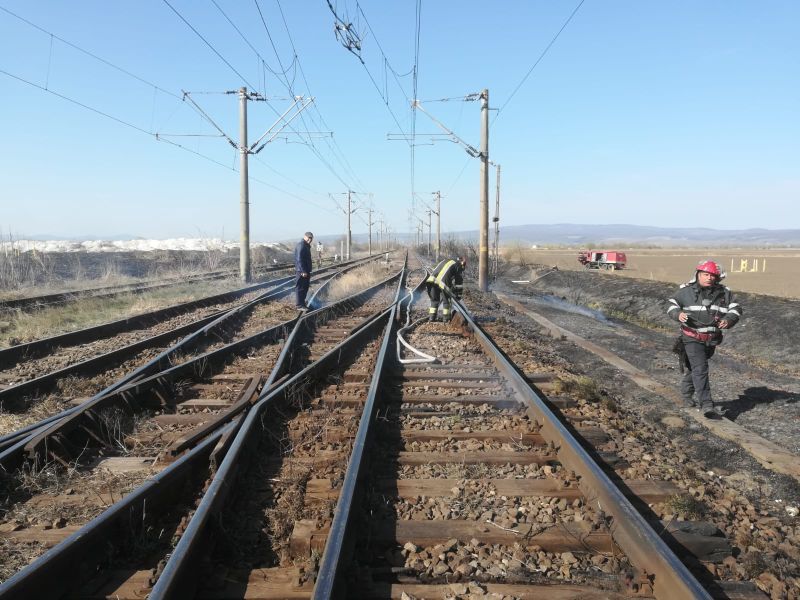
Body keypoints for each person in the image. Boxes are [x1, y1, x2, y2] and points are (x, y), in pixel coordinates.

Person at [667, 260, 743, 418]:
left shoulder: (724, 293)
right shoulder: (685, 292)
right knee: (701, 368)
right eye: (705, 274)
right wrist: (678, 314)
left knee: (696, 368)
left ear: (717, 277)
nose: (709, 278)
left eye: (712, 275)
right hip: (691, 338)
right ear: (698, 275)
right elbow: (671, 304)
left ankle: (686, 394)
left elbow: (736, 308)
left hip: (712, 340)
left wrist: (728, 320)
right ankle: (707, 404)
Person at [425, 256, 466, 322]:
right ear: (461, 263)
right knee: (447, 301)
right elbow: (459, 282)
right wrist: (459, 295)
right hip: (443, 283)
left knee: (434, 301)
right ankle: (446, 319)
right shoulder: (458, 265)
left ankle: (432, 318)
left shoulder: (446, 260)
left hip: (431, 281)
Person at [294, 231, 314, 309]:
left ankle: (302, 303)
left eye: (311, 238)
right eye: (309, 237)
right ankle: (299, 305)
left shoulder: (306, 245)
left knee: (305, 287)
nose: (310, 239)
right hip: (302, 271)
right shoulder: (301, 245)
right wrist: (303, 271)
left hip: (305, 270)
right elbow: (299, 259)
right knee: (300, 288)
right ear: (305, 237)